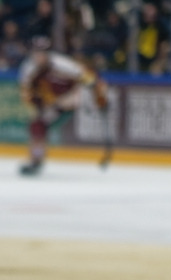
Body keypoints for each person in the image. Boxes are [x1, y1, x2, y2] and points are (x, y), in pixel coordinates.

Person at [18, 36, 108, 176]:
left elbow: (89, 78)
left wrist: (99, 96)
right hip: (50, 103)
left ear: (48, 54)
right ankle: (36, 158)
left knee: (39, 125)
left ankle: (36, 159)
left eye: (42, 53)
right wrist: (36, 104)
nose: (39, 56)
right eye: (36, 53)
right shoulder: (28, 68)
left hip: (70, 99)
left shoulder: (62, 64)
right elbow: (26, 93)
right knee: (37, 127)